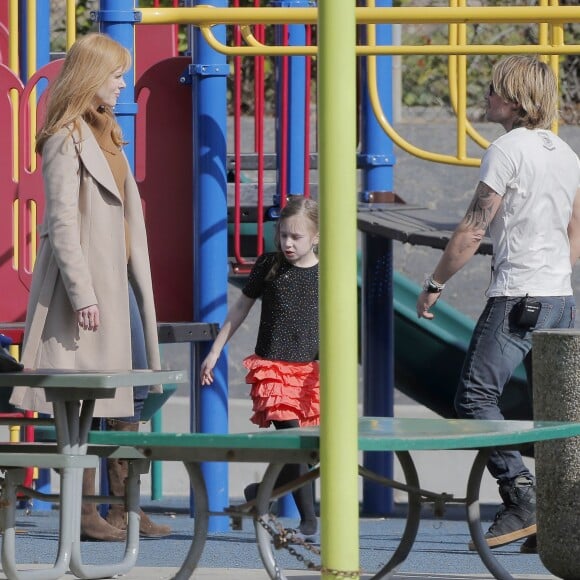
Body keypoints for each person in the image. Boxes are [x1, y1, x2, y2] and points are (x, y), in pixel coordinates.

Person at [9, 33, 170, 541]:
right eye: (116, 74)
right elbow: (59, 224)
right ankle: (84, 512)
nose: (123, 83)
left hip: (117, 277)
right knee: (84, 399)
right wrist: (84, 295)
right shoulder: (64, 135)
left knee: (138, 390)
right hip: (88, 287)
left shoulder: (107, 130)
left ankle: (121, 506)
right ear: (91, 76)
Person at [416, 55, 580, 553]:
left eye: (492, 89)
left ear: (513, 99)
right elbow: (576, 231)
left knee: (474, 397)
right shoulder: (567, 153)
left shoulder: (506, 150)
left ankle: (520, 495)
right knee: (552, 410)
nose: (484, 97)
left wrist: (436, 283)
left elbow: (471, 230)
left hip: (518, 294)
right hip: (560, 297)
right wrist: (558, 275)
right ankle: (559, 515)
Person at [201, 195, 320, 540]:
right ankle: (309, 520)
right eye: (283, 234)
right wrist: (215, 351)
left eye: (296, 237)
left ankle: (261, 493)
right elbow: (240, 309)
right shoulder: (270, 265)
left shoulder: (326, 271)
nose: (287, 243)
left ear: (315, 237)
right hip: (274, 368)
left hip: (310, 371)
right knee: (295, 442)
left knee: (310, 450)